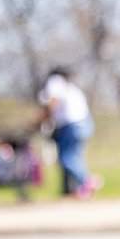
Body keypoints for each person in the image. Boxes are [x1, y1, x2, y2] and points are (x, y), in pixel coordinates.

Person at [34, 66, 101, 199]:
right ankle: (77, 190)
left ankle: (88, 181)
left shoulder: (55, 80)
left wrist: (39, 121)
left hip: (72, 125)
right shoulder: (70, 87)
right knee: (75, 156)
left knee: (66, 158)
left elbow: (52, 103)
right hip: (85, 122)